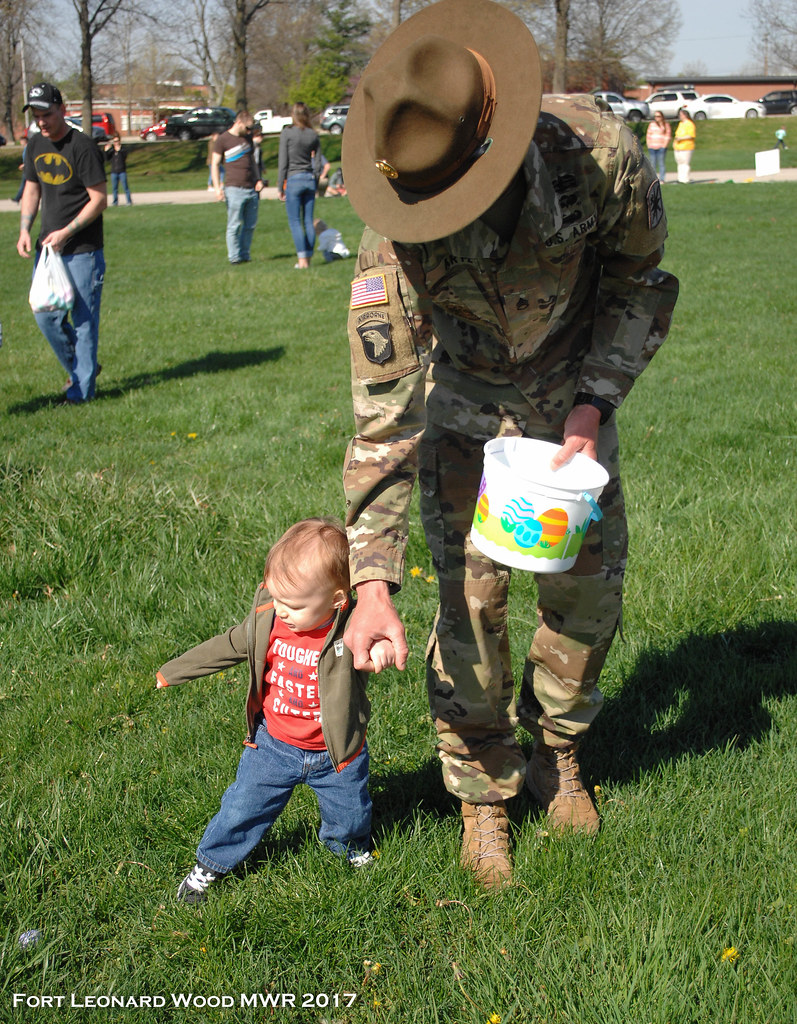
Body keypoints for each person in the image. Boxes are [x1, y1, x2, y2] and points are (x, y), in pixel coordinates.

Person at [340, 0, 678, 889]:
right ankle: (481, 798)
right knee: (467, 613)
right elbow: (383, 415)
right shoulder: (395, 240)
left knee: (586, 597)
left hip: (574, 410)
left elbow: (643, 278)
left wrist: (594, 402)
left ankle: (557, 747)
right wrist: (371, 579)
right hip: (465, 422)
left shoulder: (596, 154)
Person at [157, 518, 394, 904]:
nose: (281, 610)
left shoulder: (349, 631)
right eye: (277, 597)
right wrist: (174, 671)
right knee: (240, 809)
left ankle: (349, 847)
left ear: (337, 599)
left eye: (294, 604)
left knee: (350, 812)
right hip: (272, 748)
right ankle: (211, 864)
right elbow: (225, 646)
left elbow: (375, 639)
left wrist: (380, 648)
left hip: (337, 754)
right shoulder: (268, 623)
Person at [16, 82, 107, 404]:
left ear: (63, 110)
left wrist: (68, 231)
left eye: (47, 114)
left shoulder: (83, 146)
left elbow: (99, 200)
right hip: (48, 250)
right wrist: (25, 228)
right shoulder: (36, 144)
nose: (42, 121)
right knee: (45, 315)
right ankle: (84, 368)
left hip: (83, 251)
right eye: (37, 115)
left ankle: (80, 394)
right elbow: (31, 189)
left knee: (83, 323)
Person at [211, 110, 264, 265]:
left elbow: (253, 161)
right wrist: (217, 188)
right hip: (233, 187)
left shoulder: (247, 138)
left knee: (250, 225)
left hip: (251, 188)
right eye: (247, 128)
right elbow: (214, 163)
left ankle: (245, 254)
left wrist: (258, 179)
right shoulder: (223, 140)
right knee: (234, 225)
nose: (249, 132)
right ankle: (234, 257)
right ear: (239, 122)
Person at [277, 102, 320, 268]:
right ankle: (308, 259)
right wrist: (315, 181)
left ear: (293, 115)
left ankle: (302, 260)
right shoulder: (313, 134)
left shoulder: (287, 133)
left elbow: (283, 162)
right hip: (309, 178)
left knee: (295, 221)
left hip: (293, 179)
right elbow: (317, 162)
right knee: (308, 221)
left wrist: (280, 186)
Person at [104, 133, 132, 205]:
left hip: (122, 171)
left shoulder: (123, 149)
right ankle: (115, 202)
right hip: (114, 171)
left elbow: (124, 157)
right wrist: (106, 151)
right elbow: (107, 159)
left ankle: (129, 201)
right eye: (114, 141)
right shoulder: (112, 151)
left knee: (125, 187)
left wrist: (119, 151)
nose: (116, 143)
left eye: (117, 141)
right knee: (114, 188)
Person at [646, 110, 672, 183]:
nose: (656, 118)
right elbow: (648, 135)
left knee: (661, 163)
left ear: (662, 117)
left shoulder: (666, 125)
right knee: (652, 164)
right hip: (652, 147)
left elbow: (668, 136)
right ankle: (653, 179)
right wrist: (649, 145)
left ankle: (662, 179)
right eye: (655, 116)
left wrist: (664, 146)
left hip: (661, 147)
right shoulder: (652, 124)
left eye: (658, 116)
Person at [673, 108, 696, 184]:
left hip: (686, 146)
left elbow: (691, 135)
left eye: (681, 115)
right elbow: (677, 135)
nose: (680, 116)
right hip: (678, 147)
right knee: (680, 163)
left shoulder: (690, 124)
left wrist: (681, 138)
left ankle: (685, 179)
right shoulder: (681, 124)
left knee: (685, 163)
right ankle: (680, 178)